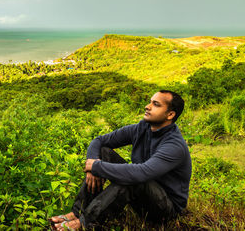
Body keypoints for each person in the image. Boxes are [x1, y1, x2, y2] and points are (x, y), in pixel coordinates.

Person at [49, 90, 192, 230]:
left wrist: (97, 167)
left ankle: (85, 222)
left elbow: (142, 173)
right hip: (142, 194)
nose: (147, 107)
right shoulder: (142, 128)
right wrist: (93, 162)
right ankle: (77, 212)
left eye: (156, 104)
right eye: (150, 102)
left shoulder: (174, 145)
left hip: (165, 209)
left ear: (170, 114)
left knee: (133, 178)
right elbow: (99, 141)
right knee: (104, 152)